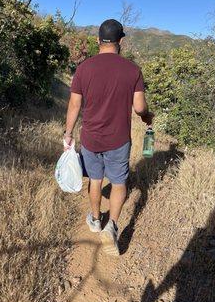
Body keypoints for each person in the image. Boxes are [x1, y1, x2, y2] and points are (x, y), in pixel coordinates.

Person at [64, 19, 153, 256]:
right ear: (120, 41)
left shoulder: (84, 68)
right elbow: (139, 107)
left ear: (97, 40)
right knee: (119, 182)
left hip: (91, 137)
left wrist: (68, 133)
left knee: (95, 179)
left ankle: (95, 219)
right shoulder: (133, 70)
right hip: (119, 139)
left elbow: (74, 104)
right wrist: (147, 117)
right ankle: (112, 225)